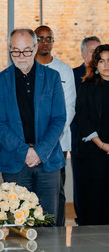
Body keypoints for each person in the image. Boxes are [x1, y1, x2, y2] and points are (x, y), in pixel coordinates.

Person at [0, 28, 66, 224]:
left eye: (26, 50)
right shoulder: (0, 81)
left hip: (47, 161)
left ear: (34, 49)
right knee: (18, 224)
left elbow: (59, 119)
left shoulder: (52, 77)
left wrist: (39, 151)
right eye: (16, 51)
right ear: (10, 50)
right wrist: (24, 151)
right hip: (14, 161)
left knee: (48, 222)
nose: (21, 56)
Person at [34, 25, 76, 226]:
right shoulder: (25, 68)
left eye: (48, 38)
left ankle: (57, 232)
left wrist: (50, 138)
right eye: (40, 38)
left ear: (53, 42)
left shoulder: (64, 70)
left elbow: (69, 107)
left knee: (56, 190)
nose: (44, 42)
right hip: (30, 145)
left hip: (58, 143)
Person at [75, 44, 109, 225]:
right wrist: (102, 145)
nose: (106, 65)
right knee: (94, 201)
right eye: (101, 61)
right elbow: (83, 117)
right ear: (95, 65)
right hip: (93, 152)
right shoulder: (87, 86)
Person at [71, 36, 101, 225]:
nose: (96, 56)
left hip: (103, 143)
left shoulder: (104, 76)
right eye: (92, 51)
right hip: (80, 140)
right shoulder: (73, 75)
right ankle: (82, 218)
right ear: (83, 54)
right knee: (82, 183)